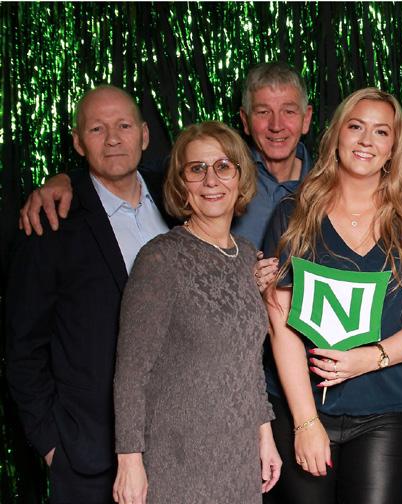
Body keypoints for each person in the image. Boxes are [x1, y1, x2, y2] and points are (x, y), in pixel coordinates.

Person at [262, 87, 402, 504]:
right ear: (336, 136)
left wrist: (371, 357)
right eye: (356, 127)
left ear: (393, 149)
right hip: (303, 409)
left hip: (386, 413)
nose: (366, 140)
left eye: (381, 132)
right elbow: (280, 323)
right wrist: (305, 422)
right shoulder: (293, 213)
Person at [5, 85, 171, 503]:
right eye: (97, 129)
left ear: (144, 135)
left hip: (180, 443)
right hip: (92, 455)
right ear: (78, 143)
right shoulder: (51, 222)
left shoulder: (177, 199)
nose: (113, 139)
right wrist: (53, 446)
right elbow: (23, 348)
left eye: (124, 126)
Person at [111, 121, 280, 504]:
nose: (211, 180)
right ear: (181, 184)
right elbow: (132, 371)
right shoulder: (160, 259)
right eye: (196, 169)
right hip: (178, 459)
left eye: (223, 166)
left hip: (238, 458)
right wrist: (129, 460)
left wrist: (265, 435)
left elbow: (247, 361)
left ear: (240, 176)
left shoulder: (245, 255)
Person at [18, 62, 312, 251]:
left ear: (306, 118)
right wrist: (67, 180)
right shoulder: (217, 170)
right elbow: (123, 166)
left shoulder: (325, 182)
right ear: (245, 121)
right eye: (263, 112)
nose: (276, 125)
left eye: (288, 111)